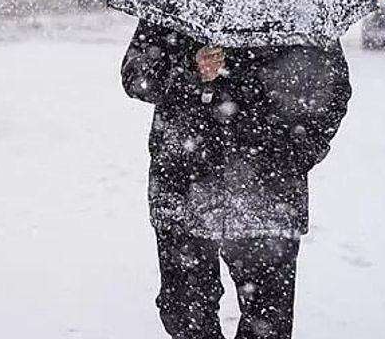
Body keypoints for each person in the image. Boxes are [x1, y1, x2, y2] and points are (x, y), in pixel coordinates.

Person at [121, 20, 352, 339]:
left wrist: (294, 154)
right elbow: (137, 76)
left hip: (267, 190)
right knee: (184, 309)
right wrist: (189, 67)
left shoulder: (296, 3)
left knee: (268, 320)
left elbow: (332, 88)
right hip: (184, 182)